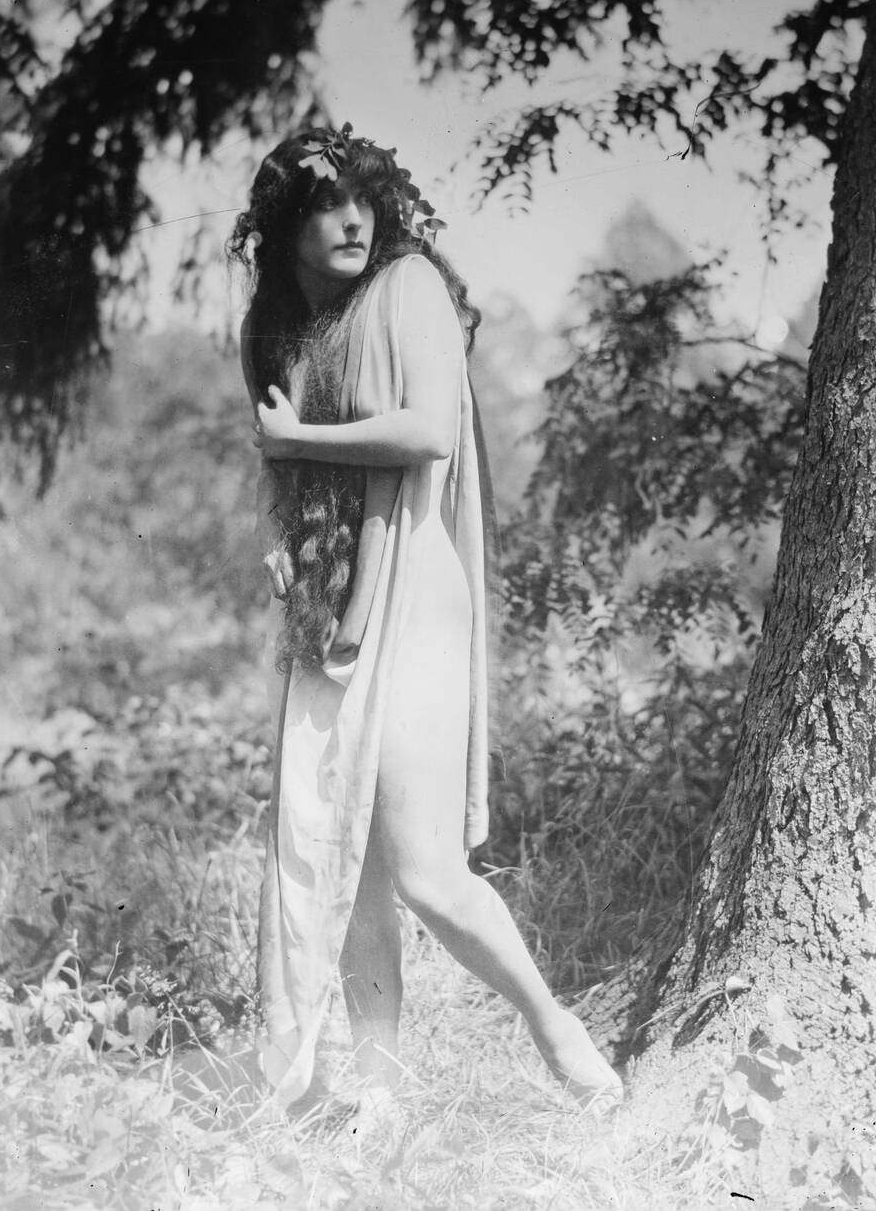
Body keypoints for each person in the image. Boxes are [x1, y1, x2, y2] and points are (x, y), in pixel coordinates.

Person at [228, 125, 622, 1114]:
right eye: (325, 203)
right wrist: (285, 528)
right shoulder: (281, 331)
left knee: (424, 868)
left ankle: (556, 1030)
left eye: (365, 198)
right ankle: (378, 1091)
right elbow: (288, 468)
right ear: (286, 225)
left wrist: (297, 441)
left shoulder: (409, 289)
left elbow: (425, 429)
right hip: (331, 602)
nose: (351, 217)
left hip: (415, 594)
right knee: (347, 866)